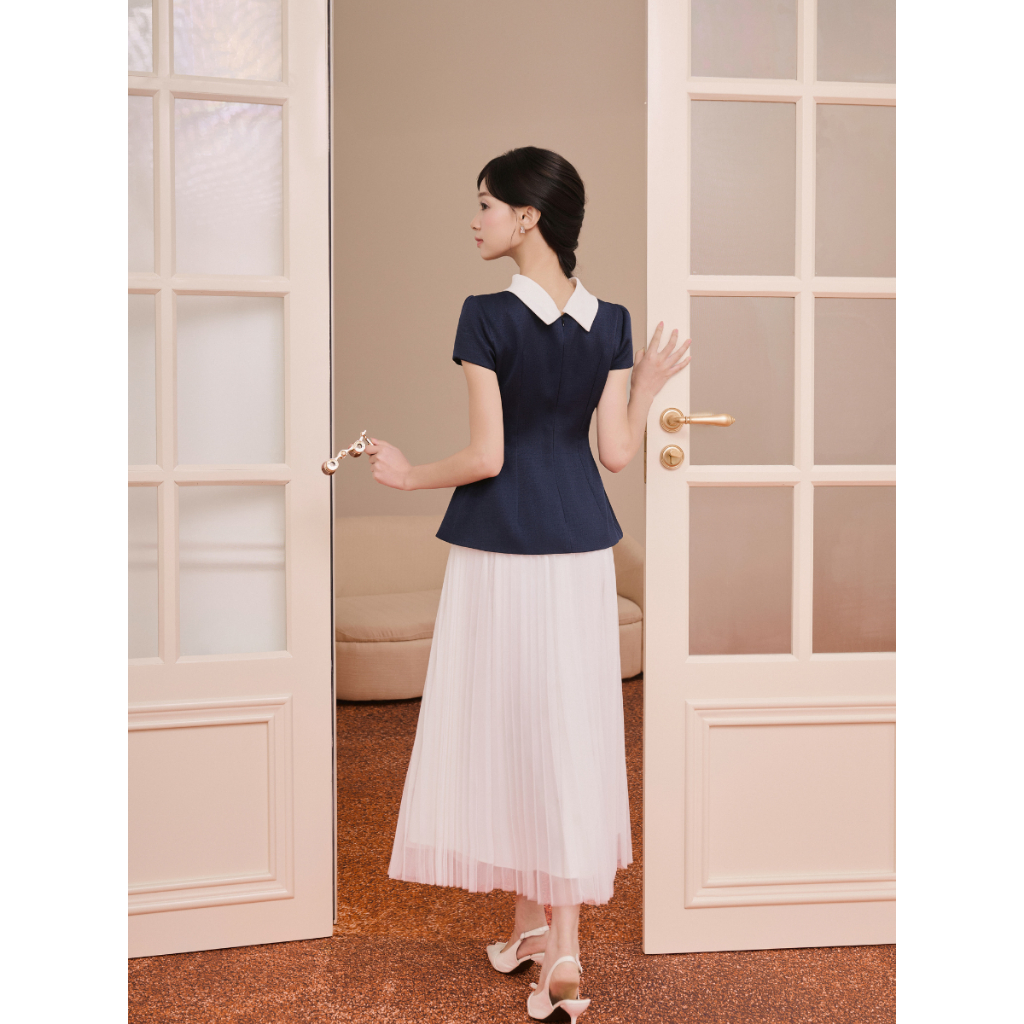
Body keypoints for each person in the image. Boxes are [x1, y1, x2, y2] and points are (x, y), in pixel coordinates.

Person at [366, 146, 689, 1022]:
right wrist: (647, 384)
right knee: (565, 729)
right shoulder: (611, 321)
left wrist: (407, 474)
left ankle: (558, 951)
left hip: (500, 551)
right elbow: (616, 453)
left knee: (511, 725)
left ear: (527, 216)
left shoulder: (484, 317)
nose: (475, 219)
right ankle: (544, 938)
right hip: (580, 553)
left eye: (486, 204)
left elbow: (486, 457)